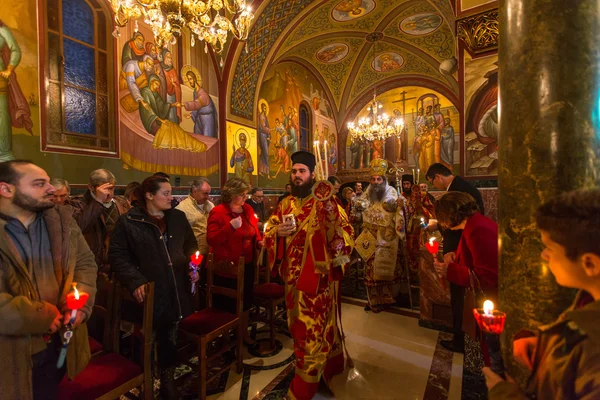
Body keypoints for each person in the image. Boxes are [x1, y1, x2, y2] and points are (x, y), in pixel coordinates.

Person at [484, 189, 600, 399]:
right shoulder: (587, 298)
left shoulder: (593, 348)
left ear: (590, 263)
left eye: (550, 248)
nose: (543, 255)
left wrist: (504, 394)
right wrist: (547, 346)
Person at [0, 160, 97, 400]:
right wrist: (40, 316)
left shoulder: (62, 222)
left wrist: (81, 306)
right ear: (6, 189)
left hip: (60, 342)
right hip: (12, 354)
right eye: (39, 184)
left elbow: (85, 263)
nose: (51, 189)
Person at [264, 151, 354, 400]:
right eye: (294, 171)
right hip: (291, 280)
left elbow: (345, 234)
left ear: (312, 174)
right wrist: (277, 233)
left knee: (310, 332)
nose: (296, 175)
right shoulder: (286, 203)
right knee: (297, 328)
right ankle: (320, 367)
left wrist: (328, 210)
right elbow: (268, 228)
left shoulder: (326, 202)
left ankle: (303, 388)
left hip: (317, 280)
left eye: (301, 171)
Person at [109, 175, 198, 399]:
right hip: (149, 288)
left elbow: (191, 244)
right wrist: (135, 280)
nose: (171, 197)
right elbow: (118, 256)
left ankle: (167, 378)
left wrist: (192, 266)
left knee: (170, 334)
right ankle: (145, 378)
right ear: (149, 195)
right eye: (165, 193)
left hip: (176, 285)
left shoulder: (177, 217)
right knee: (147, 336)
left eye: (171, 192)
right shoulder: (129, 222)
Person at [432, 191, 503, 377]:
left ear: (450, 215)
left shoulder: (478, 229)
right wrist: (456, 256)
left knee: (492, 353)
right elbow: (474, 256)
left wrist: (448, 271)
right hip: (484, 298)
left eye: (442, 219)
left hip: (490, 300)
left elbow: (487, 276)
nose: (443, 224)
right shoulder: (474, 224)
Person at [425, 162, 484, 353]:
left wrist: (438, 226)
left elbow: (459, 222)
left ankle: (461, 341)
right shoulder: (461, 186)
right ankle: (463, 337)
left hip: (462, 251)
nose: (435, 186)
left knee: (460, 298)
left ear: (437, 177)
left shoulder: (459, 190)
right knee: (459, 298)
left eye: (432, 182)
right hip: (460, 249)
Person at [207, 178, 262, 345]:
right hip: (227, 266)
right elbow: (212, 239)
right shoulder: (218, 212)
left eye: (246, 195)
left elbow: (254, 230)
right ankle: (224, 337)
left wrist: (260, 241)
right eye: (242, 195)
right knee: (227, 303)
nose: (245, 198)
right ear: (231, 194)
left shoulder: (247, 209)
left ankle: (242, 333)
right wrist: (230, 227)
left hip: (246, 264)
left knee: (245, 301)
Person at [357, 159, 406, 312]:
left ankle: (386, 298)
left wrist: (398, 204)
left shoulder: (391, 190)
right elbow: (362, 207)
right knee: (370, 269)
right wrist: (358, 207)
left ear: (384, 179)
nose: (376, 182)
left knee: (386, 268)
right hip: (370, 236)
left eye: (379, 179)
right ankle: (372, 300)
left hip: (386, 236)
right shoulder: (367, 192)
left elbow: (391, 206)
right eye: (373, 179)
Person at [71, 169, 129, 276]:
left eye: (112, 188)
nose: (110, 194)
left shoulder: (122, 203)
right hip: (92, 265)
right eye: (104, 189)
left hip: (119, 265)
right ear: (91, 187)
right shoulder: (77, 204)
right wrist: (98, 201)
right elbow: (80, 227)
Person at [176, 178, 214, 257]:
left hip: (210, 252)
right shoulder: (182, 208)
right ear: (194, 191)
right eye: (205, 193)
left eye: (208, 194)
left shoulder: (210, 205)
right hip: (193, 253)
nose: (208, 197)